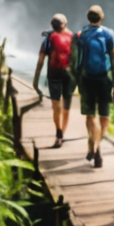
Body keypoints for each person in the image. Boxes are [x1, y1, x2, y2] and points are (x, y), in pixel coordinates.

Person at [75, 5, 114, 168]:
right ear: (101, 18)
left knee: (90, 115)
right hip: (103, 79)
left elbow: (76, 59)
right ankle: (97, 144)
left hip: (87, 79)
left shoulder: (82, 35)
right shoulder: (107, 34)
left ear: (88, 18)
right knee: (105, 117)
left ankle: (93, 145)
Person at [31, 13, 76, 147]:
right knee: (66, 107)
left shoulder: (48, 39)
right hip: (69, 76)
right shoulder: (72, 37)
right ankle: (63, 134)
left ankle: (58, 133)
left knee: (56, 106)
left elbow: (40, 61)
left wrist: (36, 80)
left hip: (53, 75)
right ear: (65, 25)